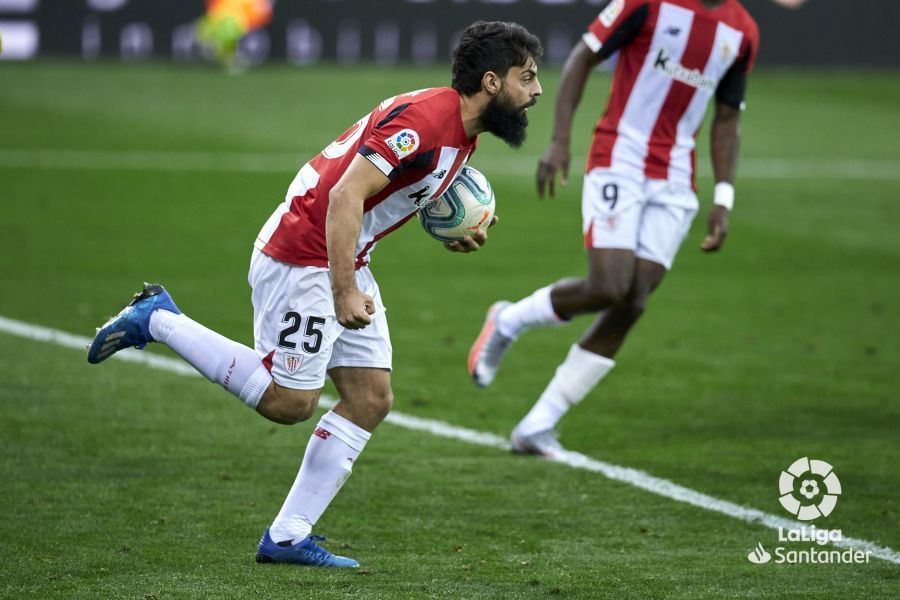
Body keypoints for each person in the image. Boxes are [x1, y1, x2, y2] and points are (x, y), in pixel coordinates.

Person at [87, 21, 542, 567]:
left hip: (343, 255)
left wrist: (445, 229)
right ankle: (158, 318)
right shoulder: (426, 122)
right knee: (289, 402)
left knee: (370, 398)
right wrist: (343, 289)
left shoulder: (459, 131)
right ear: (491, 82)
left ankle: (286, 536)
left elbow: (390, 193)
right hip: (303, 257)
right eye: (527, 78)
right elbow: (347, 194)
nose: (536, 91)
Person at [468, 0, 758, 456]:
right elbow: (584, 56)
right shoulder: (648, 4)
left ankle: (538, 425)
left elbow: (727, 118)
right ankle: (507, 321)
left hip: (677, 181)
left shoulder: (742, 31)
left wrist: (724, 196)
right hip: (619, 158)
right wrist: (561, 140)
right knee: (609, 285)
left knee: (634, 300)